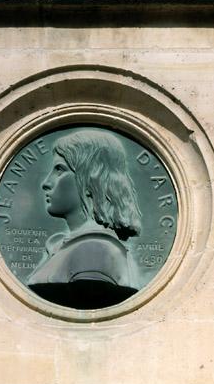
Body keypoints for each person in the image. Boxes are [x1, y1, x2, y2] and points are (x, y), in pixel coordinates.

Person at [27, 127, 142, 309]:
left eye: (59, 169)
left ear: (91, 179)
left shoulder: (94, 251)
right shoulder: (73, 246)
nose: (46, 183)